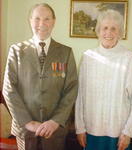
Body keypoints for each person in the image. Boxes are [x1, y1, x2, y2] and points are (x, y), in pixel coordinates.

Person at [2, 3, 78, 150]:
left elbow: (71, 89)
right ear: (30, 21)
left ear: (54, 22)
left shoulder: (66, 52)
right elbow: (8, 89)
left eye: (47, 19)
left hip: (55, 131)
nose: (42, 24)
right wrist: (28, 122)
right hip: (25, 130)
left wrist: (56, 121)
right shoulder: (16, 51)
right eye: (37, 19)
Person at [75, 9, 132, 150]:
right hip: (91, 131)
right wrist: (80, 128)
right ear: (98, 31)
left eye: (114, 28)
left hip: (119, 133)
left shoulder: (129, 58)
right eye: (105, 28)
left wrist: (129, 132)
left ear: (120, 32)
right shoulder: (88, 57)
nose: (108, 33)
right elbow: (80, 96)